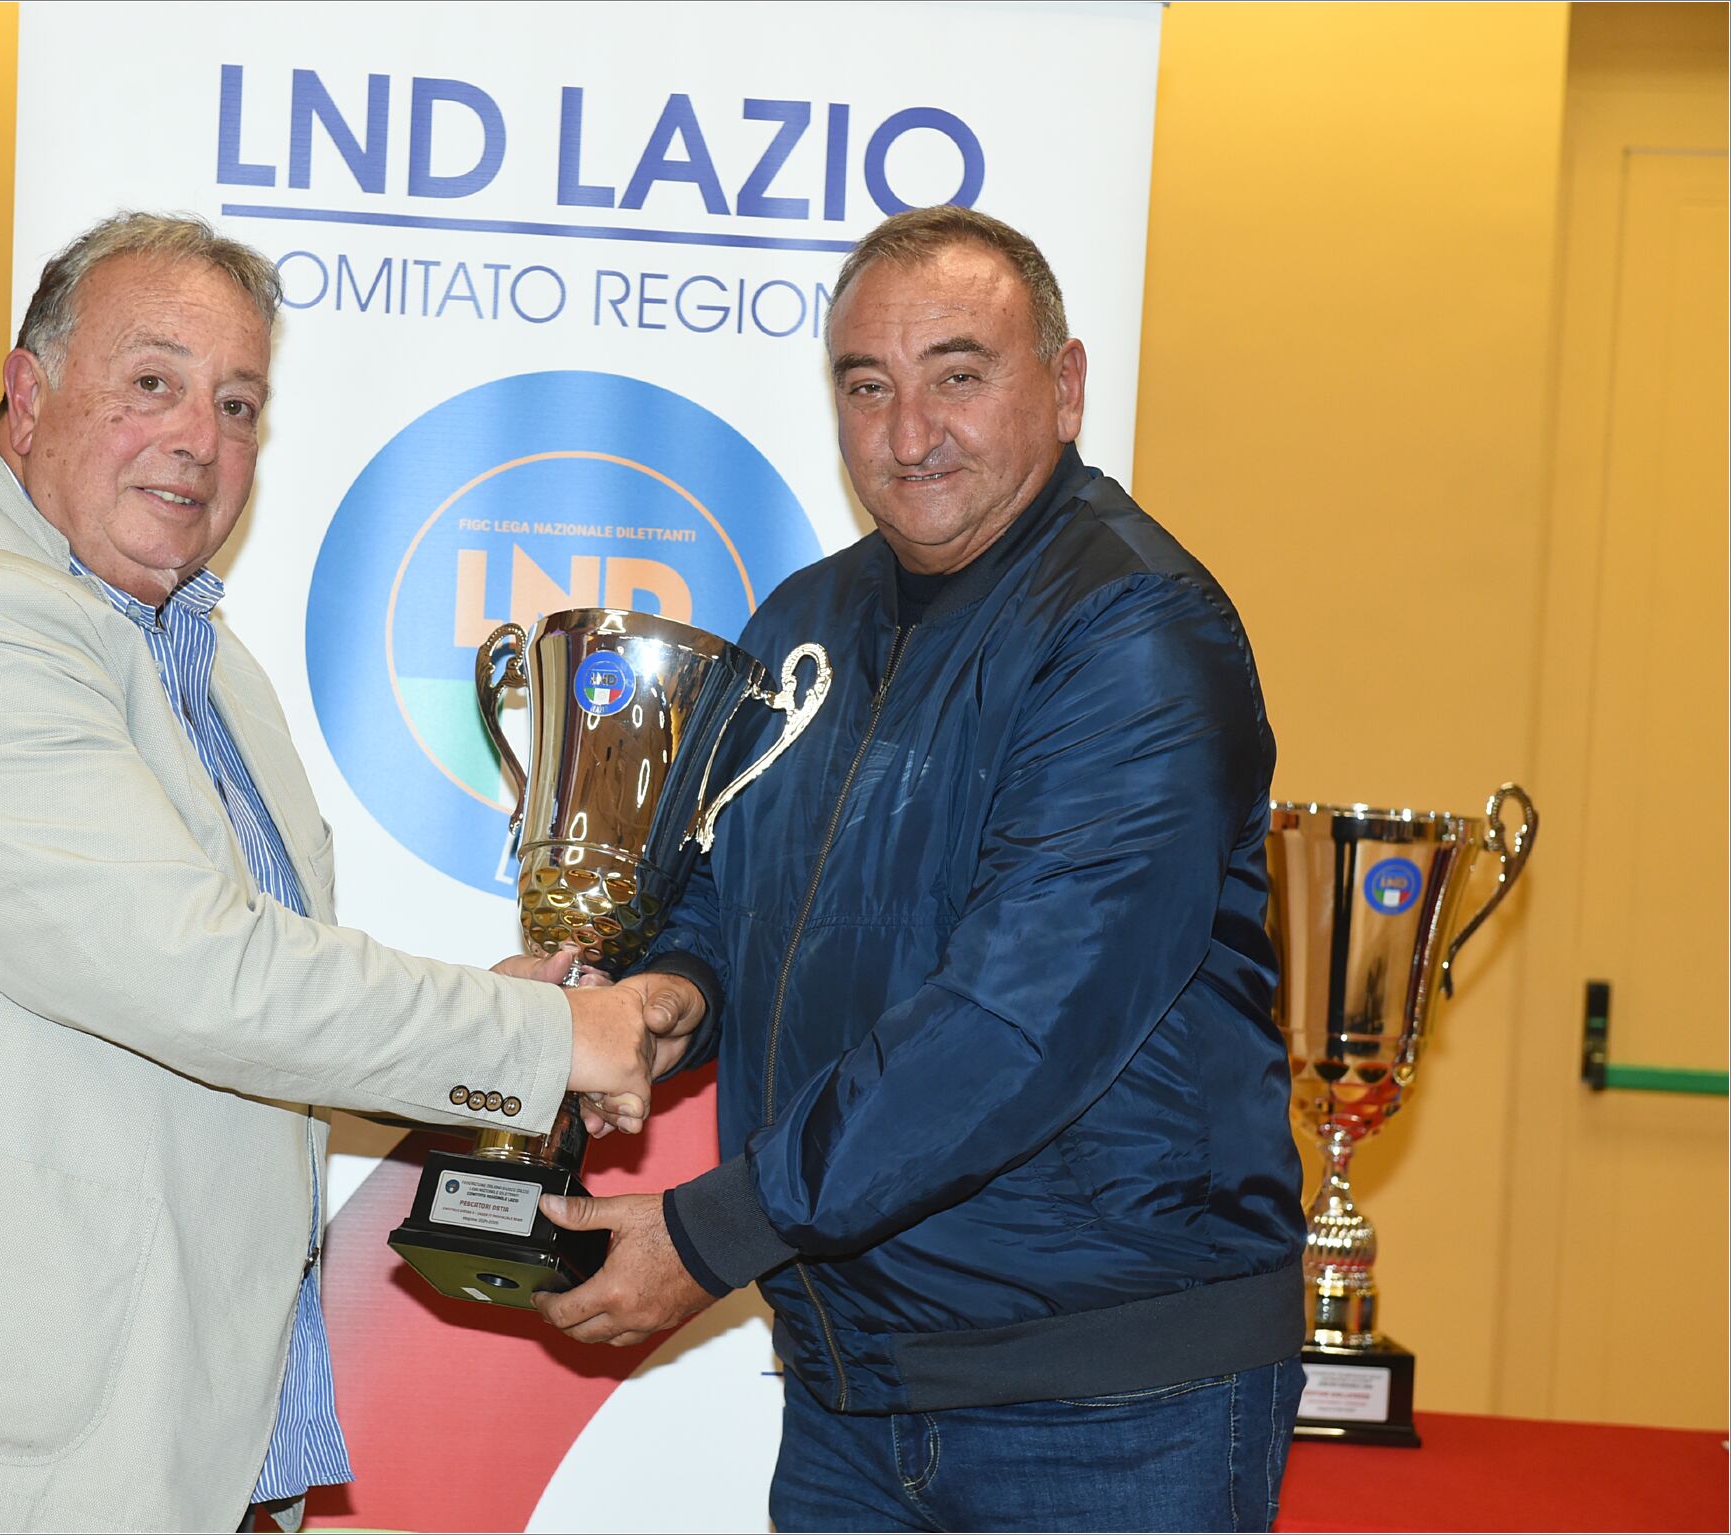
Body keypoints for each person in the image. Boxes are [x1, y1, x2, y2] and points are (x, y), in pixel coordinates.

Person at [0, 213, 659, 1534]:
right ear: (28, 398)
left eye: (237, 404)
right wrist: (548, 1039)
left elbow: (226, 998)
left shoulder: (194, 658)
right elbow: (200, 973)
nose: (199, 437)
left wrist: (501, 1013)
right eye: (152, 382)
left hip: (112, 1435)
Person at [534, 204, 1307, 1532]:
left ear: (1065, 387)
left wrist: (715, 1232)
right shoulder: (805, 622)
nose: (908, 434)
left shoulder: (1136, 636)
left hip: (1106, 1401)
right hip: (857, 1384)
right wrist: (667, 999)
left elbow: (1015, 1024)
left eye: (959, 375)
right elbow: (723, 891)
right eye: (866, 386)